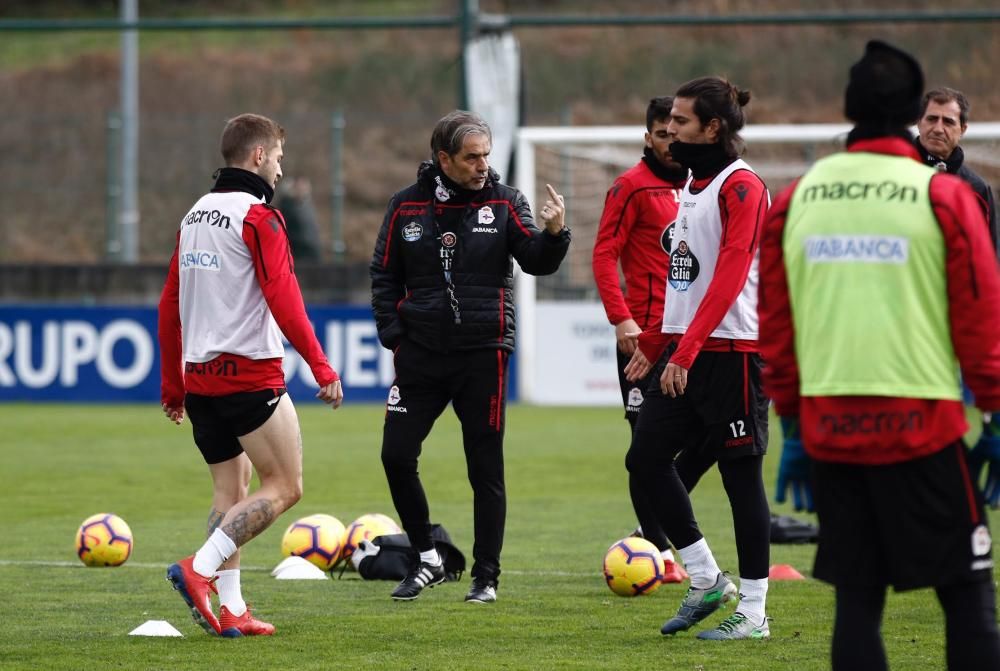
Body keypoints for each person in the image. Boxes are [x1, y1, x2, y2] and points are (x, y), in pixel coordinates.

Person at [759, 40, 1000, 670]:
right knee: (967, 592)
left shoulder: (795, 200)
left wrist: (791, 427)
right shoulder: (945, 197)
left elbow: (776, 329)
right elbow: (982, 318)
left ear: (847, 107)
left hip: (832, 433)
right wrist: (997, 415)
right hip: (925, 429)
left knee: (857, 601)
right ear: (909, 116)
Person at [371, 109, 570, 604]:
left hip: (483, 354)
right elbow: (383, 276)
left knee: (484, 467)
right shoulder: (405, 207)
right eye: (471, 156)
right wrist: (397, 336)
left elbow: (535, 261)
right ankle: (428, 558)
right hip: (420, 356)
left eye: (486, 154)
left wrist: (554, 235)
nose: (483, 165)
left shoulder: (506, 202)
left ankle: (486, 576)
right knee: (396, 455)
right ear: (443, 159)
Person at [158, 113, 344, 637]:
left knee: (231, 492)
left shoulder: (194, 216)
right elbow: (284, 298)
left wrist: (174, 385)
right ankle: (200, 568)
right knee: (285, 485)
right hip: (248, 376)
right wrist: (320, 364)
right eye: (279, 158)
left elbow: (168, 304)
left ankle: (233, 609)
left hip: (199, 381)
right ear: (258, 156)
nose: (282, 170)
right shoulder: (259, 217)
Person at [623, 77, 772, 640]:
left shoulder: (741, 187)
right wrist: (658, 343)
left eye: (681, 123)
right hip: (684, 351)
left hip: (730, 353)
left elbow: (731, 278)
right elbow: (685, 282)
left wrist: (681, 351)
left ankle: (754, 611)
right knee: (646, 460)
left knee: (740, 480)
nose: (670, 132)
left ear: (713, 128)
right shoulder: (690, 184)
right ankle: (707, 577)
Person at [591, 96, 690, 583]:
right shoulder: (630, 186)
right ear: (648, 137)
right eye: (662, 133)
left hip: (697, 337)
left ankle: (657, 525)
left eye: (677, 131)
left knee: (706, 440)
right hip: (645, 339)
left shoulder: (705, 185)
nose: (671, 141)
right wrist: (621, 318)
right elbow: (604, 254)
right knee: (645, 443)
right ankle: (659, 549)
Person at [915, 87, 998, 256]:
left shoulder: (977, 190)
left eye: (948, 122)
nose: (938, 129)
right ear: (919, 123)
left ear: (963, 129)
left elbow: (988, 257)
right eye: (931, 119)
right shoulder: (896, 174)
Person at [275, 176, 323, 262]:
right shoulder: (287, 206)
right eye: (301, 186)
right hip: (298, 257)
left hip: (312, 255)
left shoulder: (306, 205)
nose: (304, 189)